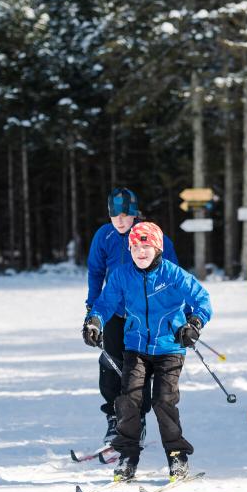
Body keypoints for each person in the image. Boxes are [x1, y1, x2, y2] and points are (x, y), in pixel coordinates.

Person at [83, 222, 212, 482]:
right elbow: (105, 304)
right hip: (136, 346)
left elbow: (202, 299)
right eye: (135, 247)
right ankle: (127, 457)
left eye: (146, 247)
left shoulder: (173, 274)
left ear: (157, 248)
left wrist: (194, 324)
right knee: (129, 399)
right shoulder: (121, 275)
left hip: (170, 347)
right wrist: (94, 322)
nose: (140, 252)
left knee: (163, 400)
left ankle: (177, 457)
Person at [86, 188, 180, 445]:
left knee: (140, 368)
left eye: (125, 214)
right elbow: (95, 272)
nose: (119, 219)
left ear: (135, 213)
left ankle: (137, 417)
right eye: (114, 214)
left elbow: (172, 272)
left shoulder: (150, 235)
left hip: (144, 314)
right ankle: (115, 418)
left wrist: (173, 312)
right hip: (114, 311)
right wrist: (92, 310)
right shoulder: (103, 236)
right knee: (110, 364)